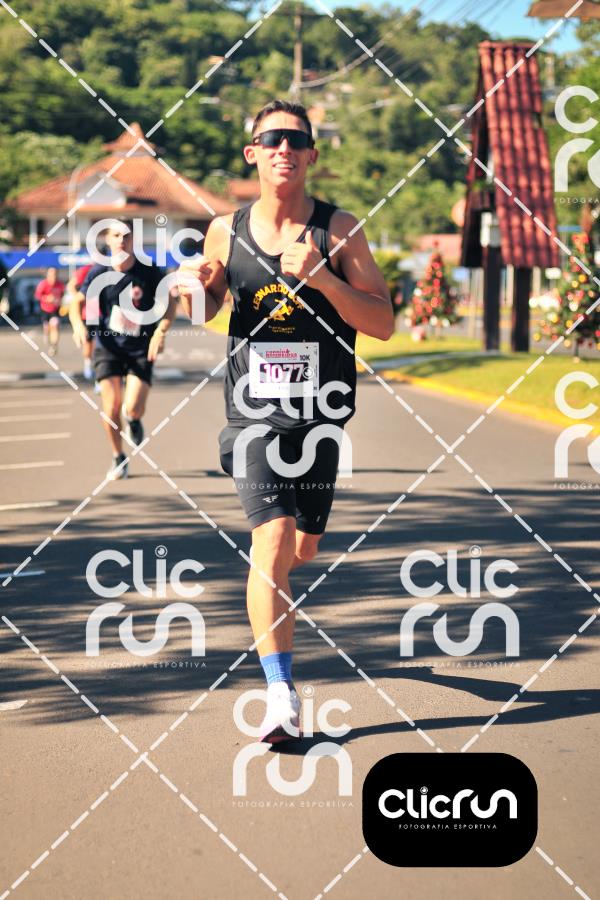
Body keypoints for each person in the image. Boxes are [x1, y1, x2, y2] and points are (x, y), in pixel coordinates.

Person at [178, 99, 393, 743]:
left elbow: (382, 322)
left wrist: (325, 280)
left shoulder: (339, 229)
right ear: (252, 153)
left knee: (301, 549)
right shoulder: (226, 230)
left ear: (311, 156)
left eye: (296, 141)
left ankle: (270, 590)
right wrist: (197, 288)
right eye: (271, 138)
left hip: (321, 418)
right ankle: (280, 694)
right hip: (252, 414)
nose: (283, 149)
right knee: (270, 542)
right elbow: (205, 312)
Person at [70, 220, 176, 480]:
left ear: (133, 240)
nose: (121, 240)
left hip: (140, 348)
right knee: (111, 407)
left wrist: (161, 332)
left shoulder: (149, 272)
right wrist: (77, 326)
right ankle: (118, 457)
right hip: (108, 347)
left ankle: (134, 420)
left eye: (127, 236)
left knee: (133, 407)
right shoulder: (99, 272)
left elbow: (170, 303)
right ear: (107, 240)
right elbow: (76, 302)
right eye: (116, 235)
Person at [67, 263, 94, 379]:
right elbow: (71, 285)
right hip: (89, 313)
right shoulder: (87, 269)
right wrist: (78, 297)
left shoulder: (113, 267)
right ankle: (88, 365)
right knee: (89, 342)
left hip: (107, 313)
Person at [35, 267, 65, 357]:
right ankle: (47, 336)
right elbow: (37, 295)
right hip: (45, 310)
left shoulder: (60, 285)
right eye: (51, 275)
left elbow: (63, 295)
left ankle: (54, 346)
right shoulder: (43, 284)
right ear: (47, 275)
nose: (53, 277)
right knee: (47, 328)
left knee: (55, 326)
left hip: (55, 310)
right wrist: (46, 298)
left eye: (55, 274)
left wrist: (60, 301)